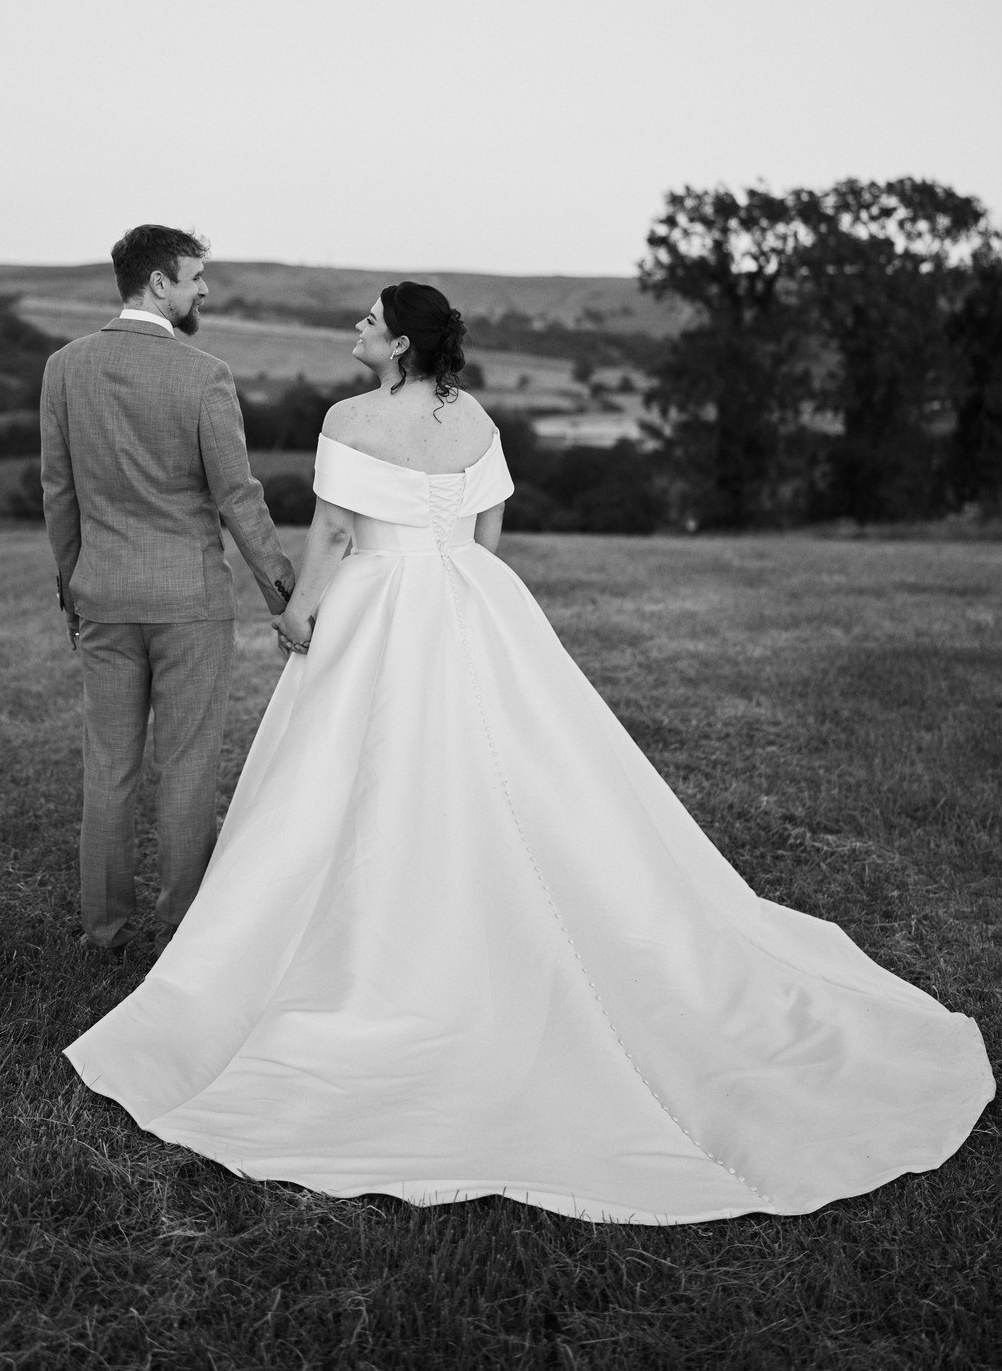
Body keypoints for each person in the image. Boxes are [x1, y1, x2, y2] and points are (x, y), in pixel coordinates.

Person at [63, 281, 994, 1221]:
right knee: (511, 767)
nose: (357, 329)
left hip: (381, 604)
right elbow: (488, 534)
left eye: (369, 322)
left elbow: (339, 531)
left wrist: (303, 610)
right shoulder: (475, 420)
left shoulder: (350, 417)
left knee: (355, 776)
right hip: (471, 598)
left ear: (398, 344)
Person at [40, 223, 294, 957]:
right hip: (189, 604)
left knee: (109, 768)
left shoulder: (64, 368)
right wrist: (284, 592)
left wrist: (73, 590)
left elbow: (60, 495)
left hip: (103, 598)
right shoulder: (203, 374)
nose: (203, 290)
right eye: (194, 278)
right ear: (159, 284)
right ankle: (186, 928)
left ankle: (104, 930)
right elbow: (238, 498)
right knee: (187, 767)